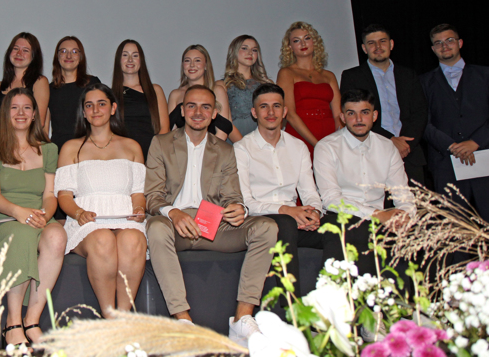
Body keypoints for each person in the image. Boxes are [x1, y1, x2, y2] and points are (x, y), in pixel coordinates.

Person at [145, 85, 276, 347]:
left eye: (206, 107)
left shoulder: (225, 150)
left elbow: (233, 197)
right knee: (156, 228)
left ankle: (242, 318)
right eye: (191, 106)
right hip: (175, 225)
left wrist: (238, 209)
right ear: (182, 111)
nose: (198, 112)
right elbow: (152, 196)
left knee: (267, 227)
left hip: (215, 225)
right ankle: (183, 320)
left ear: (214, 113)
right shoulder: (161, 144)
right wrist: (174, 213)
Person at [0, 88, 66, 349]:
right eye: (14, 107)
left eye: (26, 107)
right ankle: (12, 323)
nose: (20, 113)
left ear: (35, 114)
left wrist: (43, 216)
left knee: (58, 236)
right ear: (6, 113)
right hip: (2, 217)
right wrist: (19, 212)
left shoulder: (49, 149)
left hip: (38, 215)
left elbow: (49, 195)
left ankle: (32, 320)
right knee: (23, 232)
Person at [55, 83, 147, 318]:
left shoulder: (132, 146)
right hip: (86, 223)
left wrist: (139, 208)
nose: (95, 110)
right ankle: (109, 316)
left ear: (113, 108)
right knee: (103, 239)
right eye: (89, 105)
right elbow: (64, 196)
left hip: (126, 219)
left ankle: (123, 319)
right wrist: (78, 213)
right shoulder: (70, 148)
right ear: (84, 112)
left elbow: (138, 192)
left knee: (133, 240)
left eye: (102, 104)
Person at [313, 88, 414, 275]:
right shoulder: (327, 147)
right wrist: (377, 215)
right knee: (357, 229)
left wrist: (405, 216)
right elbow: (331, 199)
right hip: (342, 215)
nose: (358, 119)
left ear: (374, 116)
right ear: (343, 117)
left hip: (381, 216)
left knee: (425, 230)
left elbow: (402, 193)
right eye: (351, 113)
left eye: (365, 112)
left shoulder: (387, 147)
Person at [234, 83, 323, 283]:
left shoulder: (298, 146)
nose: (271, 112)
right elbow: (246, 203)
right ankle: (290, 300)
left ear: (284, 111)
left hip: (295, 220)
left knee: (338, 228)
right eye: (264, 106)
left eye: (276, 106)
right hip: (260, 220)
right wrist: (286, 211)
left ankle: (339, 295)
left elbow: (310, 193)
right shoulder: (242, 149)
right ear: (254, 113)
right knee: (285, 223)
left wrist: (314, 212)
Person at [340, 25, 427, 186]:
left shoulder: (408, 74)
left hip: (409, 153)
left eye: (382, 41)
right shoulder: (352, 76)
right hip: (372, 153)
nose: (378, 47)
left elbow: (420, 112)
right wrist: (390, 141)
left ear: (391, 44)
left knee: (416, 202)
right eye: (371, 43)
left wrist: (405, 144)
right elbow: (355, 116)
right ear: (364, 48)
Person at [420, 24, 489, 220]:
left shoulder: (485, 75)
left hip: (485, 156)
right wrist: (451, 146)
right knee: (454, 227)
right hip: (445, 164)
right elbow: (422, 122)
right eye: (438, 43)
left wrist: (475, 142)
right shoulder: (422, 82)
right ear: (433, 49)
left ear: (460, 43)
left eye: (449, 40)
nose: (444, 46)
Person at [276, 21, 341, 158]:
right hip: (300, 137)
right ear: (290, 47)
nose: (303, 43)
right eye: (296, 40)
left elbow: (338, 115)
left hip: (330, 137)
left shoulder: (329, 76)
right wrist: (317, 144)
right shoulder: (286, 73)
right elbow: (290, 114)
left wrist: (338, 141)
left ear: (314, 42)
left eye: (307, 38)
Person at [112, 40, 170, 159]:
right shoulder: (110, 94)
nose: (130, 60)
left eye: (135, 55)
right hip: (121, 157)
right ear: (118, 60)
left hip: (152, 156)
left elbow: (164, 129)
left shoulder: (155, 90)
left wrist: (154, 157)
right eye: (125, 55)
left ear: (141, 60)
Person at [0, 32, 50, 140]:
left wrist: (16, 146)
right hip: (1, 144)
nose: (19, 53)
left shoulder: (40, 82)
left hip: (29, 144)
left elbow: (39, 122)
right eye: (15, 49)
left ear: (34, 56)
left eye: (25, 50)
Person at [167, 44, 237, 141]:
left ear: (206, 65)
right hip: (181, 149)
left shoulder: (218, 91)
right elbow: (171, 133)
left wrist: (205, 150)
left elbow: (223, 132)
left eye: (197, 60)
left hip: (213, 148)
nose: (192, 65)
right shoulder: (175, 95)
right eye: (187, 60)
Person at [48, 36, 100, 150]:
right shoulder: (49, 89)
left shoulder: (92, 84)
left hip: (88, 149)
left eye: (74, 52)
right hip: (59, 151)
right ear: (57, 56)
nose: (69, 56)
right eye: (64, 51)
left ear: (81, 57)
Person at [216, 35, 272, 138]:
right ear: (234, 51)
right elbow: (225, 123)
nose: (250, 53)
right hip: (235, 141)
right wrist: (243, 145)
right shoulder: (222, 85)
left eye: (254, 50)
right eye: (244, 48)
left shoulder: (267, 84)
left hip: (263, 140)